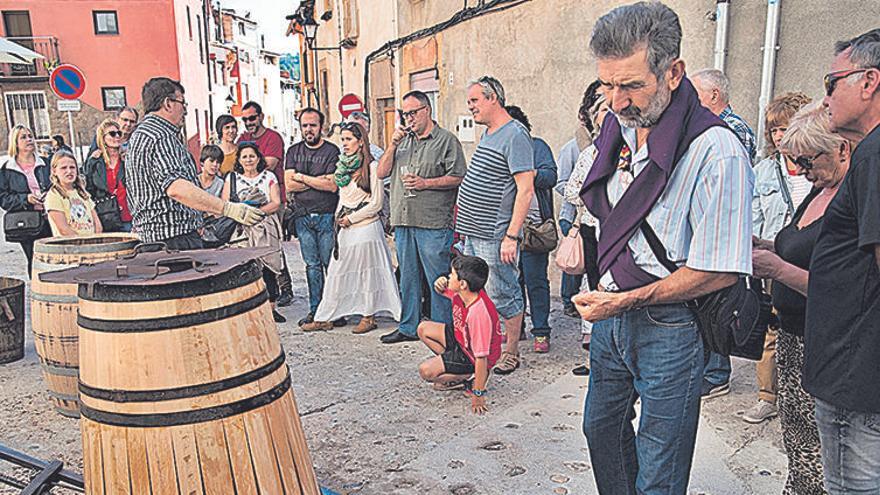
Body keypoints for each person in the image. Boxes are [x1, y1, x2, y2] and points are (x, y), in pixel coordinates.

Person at [575, 4, 754, 493]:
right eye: (608, 85)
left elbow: (720, 271)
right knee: (600, 430)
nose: (616, 100)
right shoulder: (617, 130)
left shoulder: (716, 150)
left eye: (631, 85)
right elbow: (595, 200)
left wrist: (629, 300)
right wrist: (577, 236)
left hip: (671, 324)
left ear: (673, 72)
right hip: (612, 315)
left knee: (661, 459)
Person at [750, 102, 850, 495]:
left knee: (819, 446)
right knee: (796, 437)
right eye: (795, 163)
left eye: (807, 162)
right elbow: (801, 245)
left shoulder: (849, 201)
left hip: (825, 341)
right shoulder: (818, 191)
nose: (802, 172)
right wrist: (767, 244)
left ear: (840, 149)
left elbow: (836, 286)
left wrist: (775, 268)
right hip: (793, 336)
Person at [804, 28, 880, 495]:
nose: (826, 96)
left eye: (832, 82)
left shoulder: (875, 154)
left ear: (869, 82)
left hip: (858, 373)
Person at [126, 77, 264, 249]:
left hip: (156, 239)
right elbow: (176, 188)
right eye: (183, 104)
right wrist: (228, 209)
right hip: (172, 241)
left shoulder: (142, 134)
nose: (185, 111)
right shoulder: (161, 136)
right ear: (168, 103)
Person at [456, 76, 535, 374]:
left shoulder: (515, 134)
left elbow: (525, 189)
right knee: (481, 294)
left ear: (493, 99)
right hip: (474, 232)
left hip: (495, 233)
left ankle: (512, 352)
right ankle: (484, 350)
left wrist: (511, 236)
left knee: (504, 292)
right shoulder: (489, 134)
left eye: (475, 101)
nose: (471, 107)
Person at [377, 90, 467, 345]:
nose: (408, 118)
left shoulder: (446, 140)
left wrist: (426, 182)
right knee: (407, 276)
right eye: (404, 114)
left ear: (426, 110)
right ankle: (409, 326)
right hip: (404, 220)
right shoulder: (402, 141)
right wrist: (392, 144)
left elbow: (459, 176)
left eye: (413, 113)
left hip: (432, 222)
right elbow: (381, 172)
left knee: (438, 278)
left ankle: (444, 331)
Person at [744, 91, 812, 425]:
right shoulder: (764, 172)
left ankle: (800, 399)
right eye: (774, 130)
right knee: (772, 327)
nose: (780, 136)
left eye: (785, 128)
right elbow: (754, 216)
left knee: (805, 329)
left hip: (807, 259)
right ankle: (767, 395)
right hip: (774, 255)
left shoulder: (818, 170)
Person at [691, 67, 758, 400]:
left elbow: (733, 188)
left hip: (724, 231)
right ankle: (707, 368)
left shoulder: (732, 131)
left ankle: (718, 374)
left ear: (714, 95)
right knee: (705, 303)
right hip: (711, 228)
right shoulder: (710, 130)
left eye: (696, 93)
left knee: (720, 303)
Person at [299, 122, 401, 332]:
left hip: (366, 228)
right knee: (338, 272)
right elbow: (343, 198)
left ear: (360, 142)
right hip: (345, 229)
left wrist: (352, 218)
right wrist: (340, 218)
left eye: (348, 139)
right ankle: (326, 316)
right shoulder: (342, 168)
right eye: (342, 139)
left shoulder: (372, 167)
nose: (344, 144)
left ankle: (368, 315)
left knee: (367, 273)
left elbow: (376, 203)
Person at [563, 81, 609, 376]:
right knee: (594, 290)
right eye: (602, 109)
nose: (608, 113)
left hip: (620, 234)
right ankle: (597, 359)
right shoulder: (590, 153)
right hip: (594, 229)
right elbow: (571, 190)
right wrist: (599, 193)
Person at [417, 255, 502, 413]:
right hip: (461, 338)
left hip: (472, 354)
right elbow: (442, 290)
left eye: (452, 274)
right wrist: (439, 284)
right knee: (423, 329)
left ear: (462, 284)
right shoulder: (464, 292)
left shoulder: (478, 312)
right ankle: (452, 364)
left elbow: (482, 357)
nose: (449, 276)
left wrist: (478, 393)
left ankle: (467, 377)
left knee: (426, 372)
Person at [284, 108, 344, 327]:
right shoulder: (293, 151)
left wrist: (302, 177)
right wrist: (316, 180)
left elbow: (332, 185)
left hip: (327, 215)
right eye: (305, 126)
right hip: (302, 217)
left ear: (322, 127)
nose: (308, 130)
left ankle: (336, 310)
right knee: (311, 266)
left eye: (313, 125)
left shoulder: (332, 151)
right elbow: (289, 184)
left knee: (331, 265)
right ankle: (316, 310)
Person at [505, 105, 557, 353]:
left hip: (534, 229)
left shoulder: (538, 147)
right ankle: (517, 329)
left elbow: (550, 177)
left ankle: (541, 331)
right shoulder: (498, 149)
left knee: (536, 281)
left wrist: (527, 172)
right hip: (506, 229)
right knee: (511, 282)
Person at [221, 143, 286, 323]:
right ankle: (246, 309)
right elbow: (225, 202)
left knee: (269, 267)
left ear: (258, 158)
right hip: (241, 227)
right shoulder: (232, 178)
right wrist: (243, 213)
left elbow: (276, 201)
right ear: (239, 160)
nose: (248, 160)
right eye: (244, 157)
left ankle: (271, 308)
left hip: (265, 226)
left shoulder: (269, 177)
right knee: (244, 267)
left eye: (252, 156)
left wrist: (257, 213)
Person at [238, 101, 294, 306]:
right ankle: (262, 289)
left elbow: (268, 164)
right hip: (247, 201)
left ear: (260, 117)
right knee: (251, 245)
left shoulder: (273, 138)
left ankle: (284, 287)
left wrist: (247, 161)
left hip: (271, 198)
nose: (248, 123)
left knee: (272, 244)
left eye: (252, 118)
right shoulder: (242, 138)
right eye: (244, 119)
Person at [0, 125, 51, 276]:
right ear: (15, 143)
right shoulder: (7, 169)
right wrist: (26, 199)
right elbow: (3, 198)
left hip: (51, 216)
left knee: (54, 256)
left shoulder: (46, 164)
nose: (29, 140)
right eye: (23, 137)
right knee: (34, 259)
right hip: (27, 221)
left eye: (30, 136)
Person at [692, 68, 757, 162]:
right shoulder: (707, 126)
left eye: (694, 94)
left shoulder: (734, 127)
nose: (689, 100)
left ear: (714, 96)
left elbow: (732, 171)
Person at [83, 118, 133, 232]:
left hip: (129, 216)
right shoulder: (95, 162)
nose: (116, 136)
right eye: (112, 133)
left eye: (119, 133)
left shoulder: (127, 159)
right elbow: (89, 191)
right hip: (106, 217)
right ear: (103, 138)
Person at [45, 150, 102, 236]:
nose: (69, 171)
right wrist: (81, 243)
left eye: (72, 167)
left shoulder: (83, 193)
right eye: (63, 168)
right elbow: (63, 229)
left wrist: (96, 239)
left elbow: (97, 223)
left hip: (91, 243)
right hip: (70, 245)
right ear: (54, 171)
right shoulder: (54, 195)